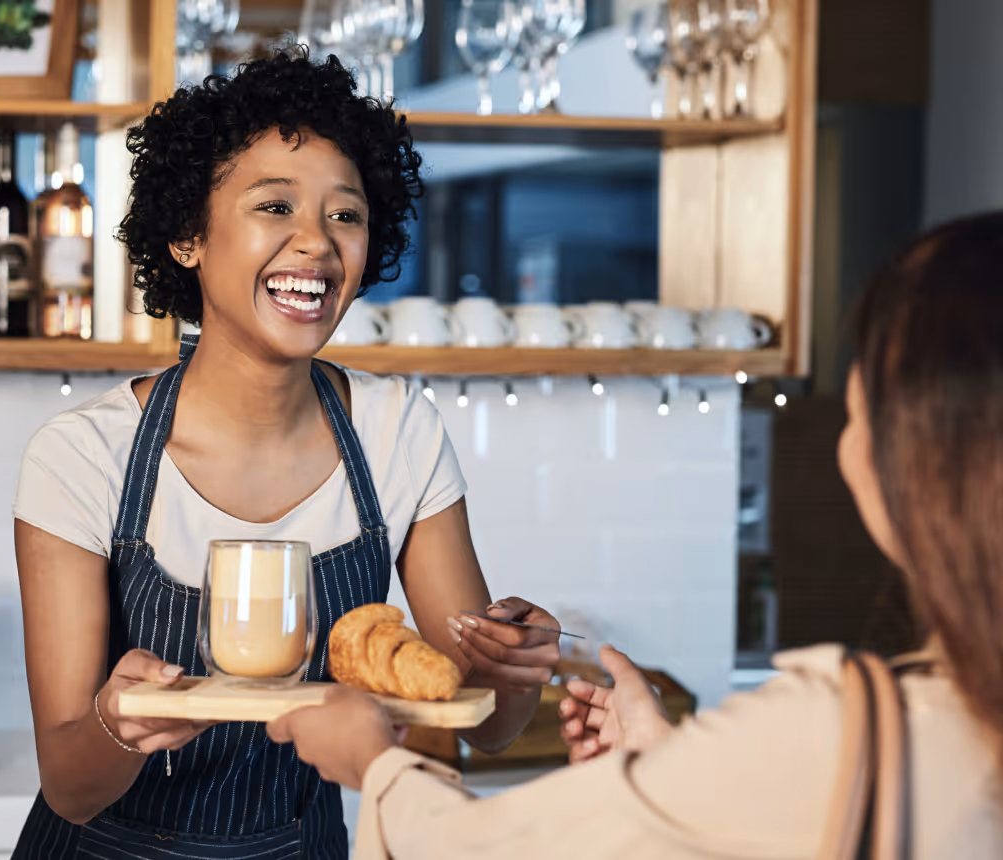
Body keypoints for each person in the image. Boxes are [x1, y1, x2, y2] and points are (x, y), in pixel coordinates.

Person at [268, 212, 1003, 858]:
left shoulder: (853, 733)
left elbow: (491, 849)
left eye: (864, 407)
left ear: (920, 461)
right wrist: (672, 767)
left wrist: (377, 766)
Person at [10, 49, 562, 858]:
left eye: (345, 215)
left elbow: (478, 724)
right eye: (275, 206)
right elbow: (70, 781)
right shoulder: (84, 456)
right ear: (187, 237)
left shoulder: (395, 430)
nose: (317, 244)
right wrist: (120, 726)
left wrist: (512, 670)